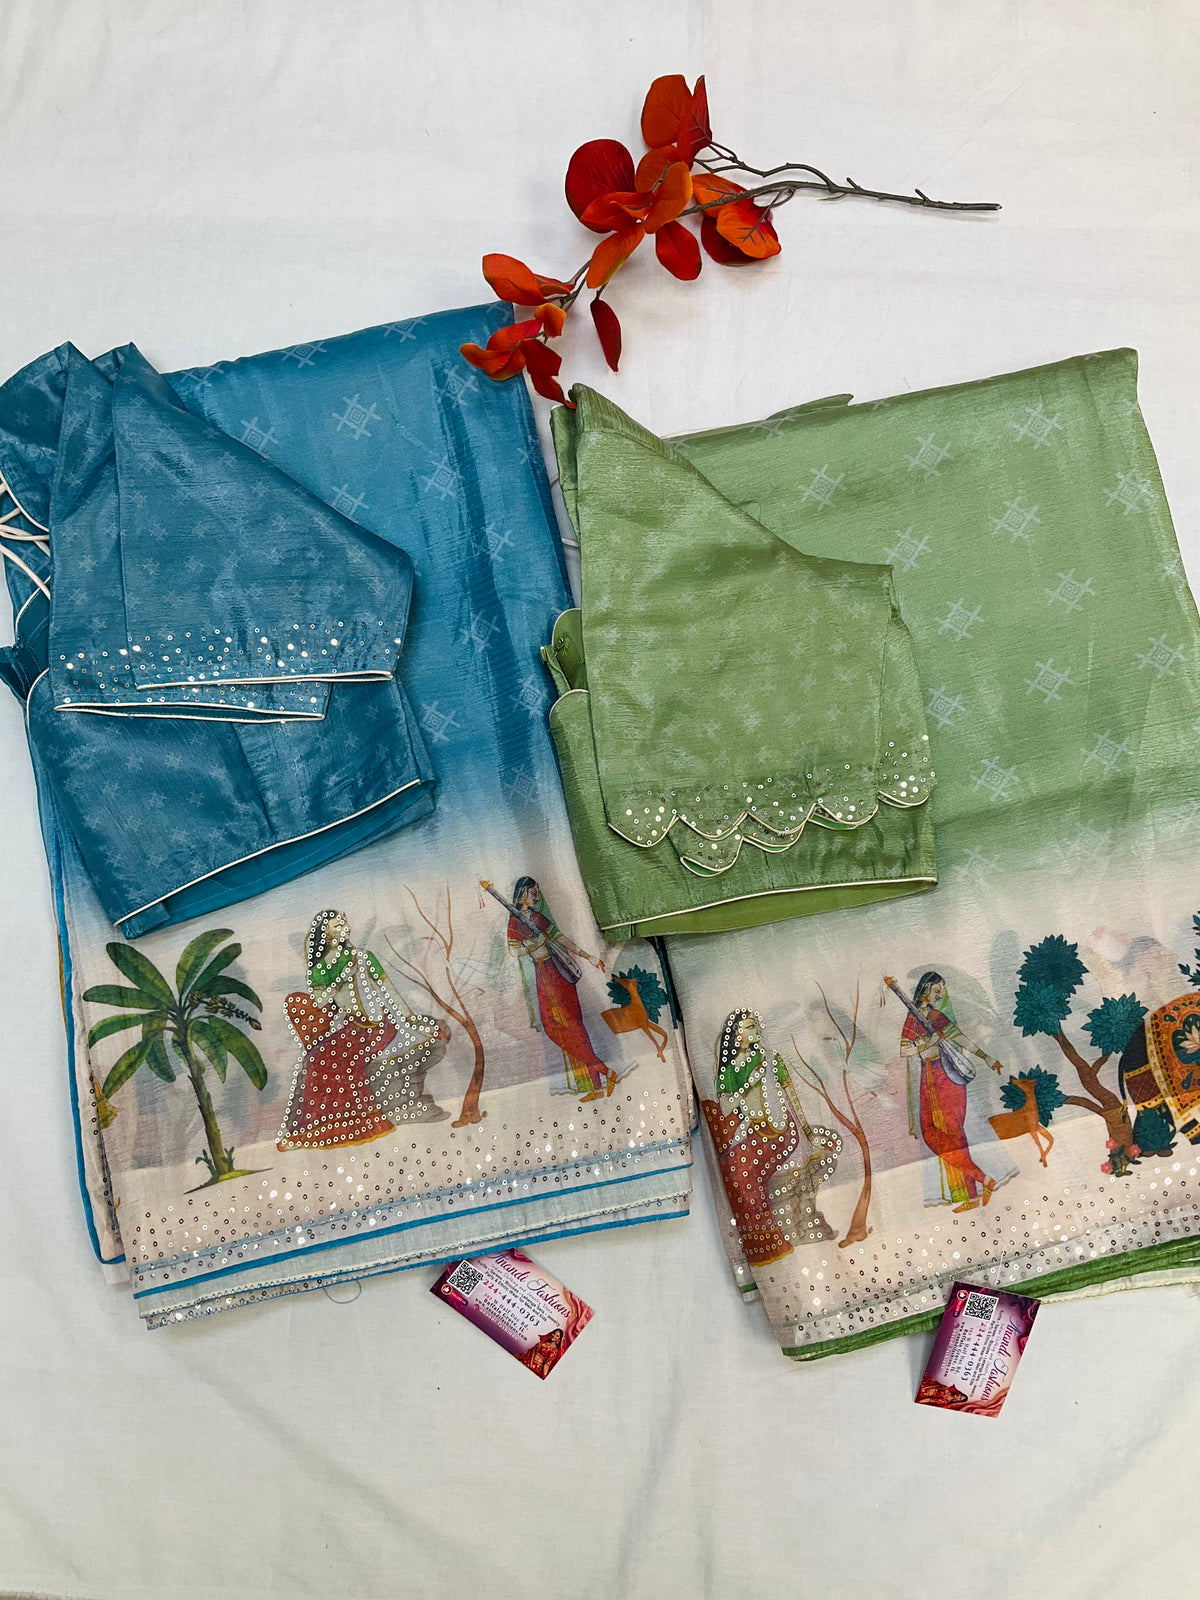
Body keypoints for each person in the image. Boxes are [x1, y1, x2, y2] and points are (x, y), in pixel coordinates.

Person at [277, 910, 449, 1150]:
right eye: (338, 925)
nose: (345, 928)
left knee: (339, 1061)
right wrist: (341, 978)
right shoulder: (320, 968)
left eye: (345, 923)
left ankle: (358, 1124)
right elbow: (320, 1002)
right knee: (316, 1058)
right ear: (325, 935)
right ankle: (319, 1129)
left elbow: (389, 990)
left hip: (378, 1025)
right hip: (351, 1027)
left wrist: (413, 1020)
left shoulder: (363, 958)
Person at [701, 1010, 837, 1265]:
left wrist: (807, 1132)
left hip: (780, 1131)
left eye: (756, 1025)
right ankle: (764, 1243)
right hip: (754, 1131)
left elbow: (791, 1095)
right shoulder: (729, 1070)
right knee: (731, 1165)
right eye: (750, 1027)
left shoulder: (771, 1059)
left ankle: (769, 1242)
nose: (756, 1030)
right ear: (737, 1036)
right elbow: (727, 1107)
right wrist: (748, 1084)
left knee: (742, 1170)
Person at [895, 970, 1017, 1211]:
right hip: (929, 1078)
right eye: (936, 990)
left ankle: (979, 1187)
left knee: (950, 1135)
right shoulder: (914, 1018)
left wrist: (985, 1057)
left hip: (945, 1078)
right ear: (925, 989)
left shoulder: (935, 1016)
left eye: (941, 991)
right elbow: (904, 1050)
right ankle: (977, 1189)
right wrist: (926, 1043)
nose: (939, 995)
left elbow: (960, 1038)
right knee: (937, 1135)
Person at [507, 877, 616, 1100]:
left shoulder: (538, 918)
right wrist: (531, 946)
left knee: (574, 1027)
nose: (536, 897)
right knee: (553, 1028)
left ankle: (597, 1086)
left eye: (537, 893)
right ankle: (605, 1072)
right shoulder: (515, 922)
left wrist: (588, 956)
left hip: (558, 973)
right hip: (542, 975)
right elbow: (512, 951)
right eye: (533, 893)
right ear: (522, 895)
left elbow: (561, 939)